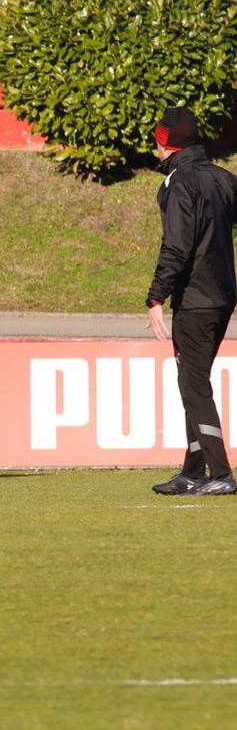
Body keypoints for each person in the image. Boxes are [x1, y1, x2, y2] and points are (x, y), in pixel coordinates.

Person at [146, 106, 237, 496]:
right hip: (221, 295)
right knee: (191, 383)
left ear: (164, 140)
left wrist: (155, 297)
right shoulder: (223, 178)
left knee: (194, 384)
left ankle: (219, 473)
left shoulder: (179, 182)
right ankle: (193, 470)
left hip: (196, 299)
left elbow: (177, 246)